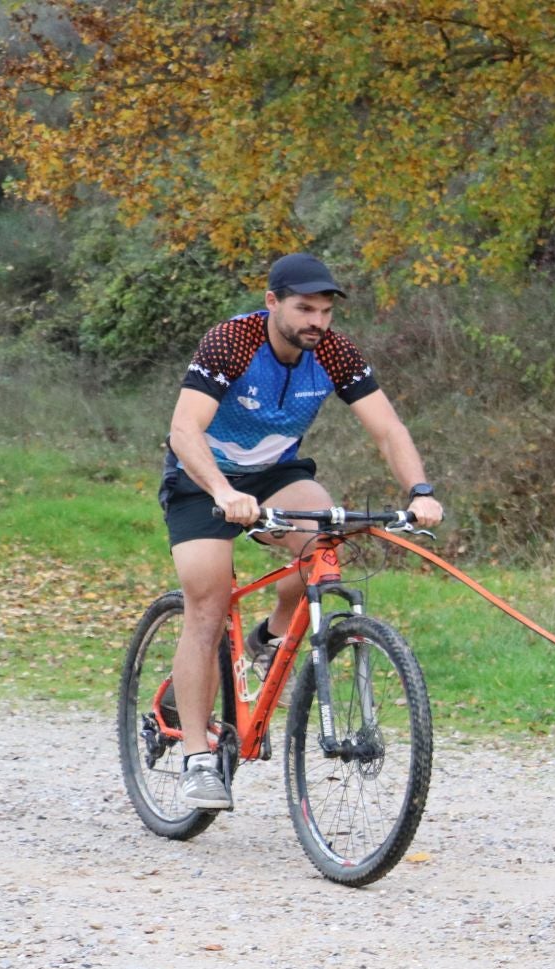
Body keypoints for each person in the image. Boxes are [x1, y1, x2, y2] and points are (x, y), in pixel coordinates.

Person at [159, 252, 443, 810]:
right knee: (208, 607)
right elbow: (183, 429)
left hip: (275, 475)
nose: (318, 321)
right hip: (202, 478)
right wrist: (221, 491)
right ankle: (196, 759)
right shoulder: (232, 343)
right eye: (304, 308)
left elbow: (388, 429)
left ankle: (264, 642)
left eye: (326, 310)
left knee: (323, 542)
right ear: (273, 303)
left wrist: (421, 492)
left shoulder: (334, 353)